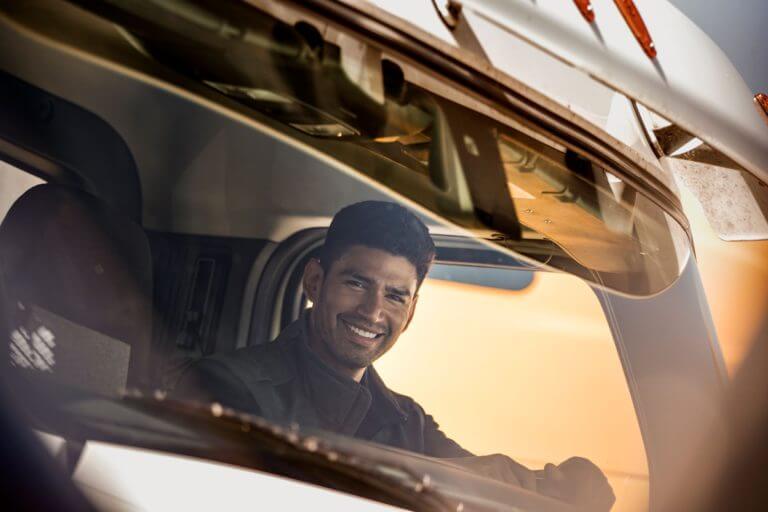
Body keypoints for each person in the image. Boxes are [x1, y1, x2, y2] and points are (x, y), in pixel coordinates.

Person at [174, 200, 614, 510]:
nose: (373, 312)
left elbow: (482, 477)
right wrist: (439, 481)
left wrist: (559, 489)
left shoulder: (409, 421)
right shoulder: (225, 386)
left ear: (412, 311)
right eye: (357, 283)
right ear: (313, 282)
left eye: (396, 296)